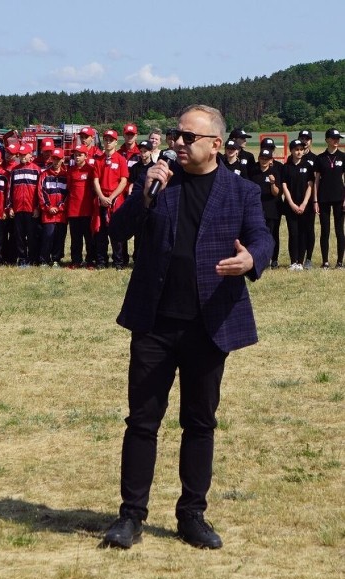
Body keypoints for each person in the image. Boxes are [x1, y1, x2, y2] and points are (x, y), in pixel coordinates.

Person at [103, 104, 273, 550]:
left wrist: (252, 259)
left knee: (200, 422)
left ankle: (192, 514)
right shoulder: (156, 182)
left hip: (208, 325)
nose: (178, 143)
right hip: (155, 323)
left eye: (188, 137)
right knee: (142, 421)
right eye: (176, 135)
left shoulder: (241, 192)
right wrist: (144, 195)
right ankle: (130, 516)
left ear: (215, 144)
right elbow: (117, 233)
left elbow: (262, 237)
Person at [93, 130, 129, 268]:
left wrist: (112, 197)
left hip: (116, 200)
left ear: (116, 142)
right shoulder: (99, 160)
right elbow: (95, 180)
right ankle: (102, 261)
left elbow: (123, 181)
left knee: (117, 232)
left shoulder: (120, 159)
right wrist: (102, 197)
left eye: (111, 140)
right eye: (106, 139)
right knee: (101, 232)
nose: (108, 142)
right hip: (101, 200)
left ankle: (118, 261)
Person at [312, 128, 345, 269]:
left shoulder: (343, 157)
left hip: (339, 198)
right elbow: (316, 181)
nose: (336, 140)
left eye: (338, 138)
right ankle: (325, 261)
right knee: (325, 230)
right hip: (323, 198)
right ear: (327, 140)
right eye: (334, 138)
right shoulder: (320, 158)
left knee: (339, 230)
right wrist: (315, 200)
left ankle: (339, 262)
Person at [281, 139, 313, 270]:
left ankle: (300, 261)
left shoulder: (308, 166)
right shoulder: (286, 167)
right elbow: (284, 186)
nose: (299, 152)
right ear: (292, 151)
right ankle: (293, 261)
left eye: (301, 149)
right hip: (291, 206)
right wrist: (292, 204)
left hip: (305, 206)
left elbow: (310, 185)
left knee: (303, 233)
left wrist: (304, 203)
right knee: (293, 233)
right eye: (296, 149)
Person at [247, 149, 282, 267]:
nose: (264, 160)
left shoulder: (274, 172)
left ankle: (274, 259)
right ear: (259, 158)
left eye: (266, 158)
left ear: (271, 160)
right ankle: (260, 259)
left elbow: (276, 193)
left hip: (271, 209)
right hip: (256, 209)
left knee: (272, 234)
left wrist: (272, 183)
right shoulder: (253, 172)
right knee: (257, 235)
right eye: (262, 158)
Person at [64, 144, 97, 269]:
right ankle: (76, 260)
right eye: (75, 155)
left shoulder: (91, 169)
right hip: (73, 210)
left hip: (87, 209)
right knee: (75, 238)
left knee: (89, 237)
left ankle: (90, 261)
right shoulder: (70, 170)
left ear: (86, 156)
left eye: (80, 155)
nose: (77, 157)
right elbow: (68, 188)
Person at [8, 143, 40, 266]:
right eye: (20, 155)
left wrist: (38, 207)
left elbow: (39, 191)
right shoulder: (14, 170)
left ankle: (32, 259)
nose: (21, 157)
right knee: (19, 236)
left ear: (30, 154)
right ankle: (22, 258)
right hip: (18, 208)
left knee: (32, 236)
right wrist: (10, 207)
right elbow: (10, 190)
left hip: (31, 209)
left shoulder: (36, 170)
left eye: (24, 155)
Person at [37, 148, 67, 267]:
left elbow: (68, 193)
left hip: (61, 214)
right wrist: (48, 207)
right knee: (47, 237)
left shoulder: (66, 175)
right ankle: (44, 259)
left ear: (63, 160)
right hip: (48, 213)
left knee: (59, 237)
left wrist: (60, 207)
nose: (56, 161)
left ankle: (56, 259)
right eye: (54, 158)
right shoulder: (44, 174)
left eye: (58, 159)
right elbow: (41, 192)